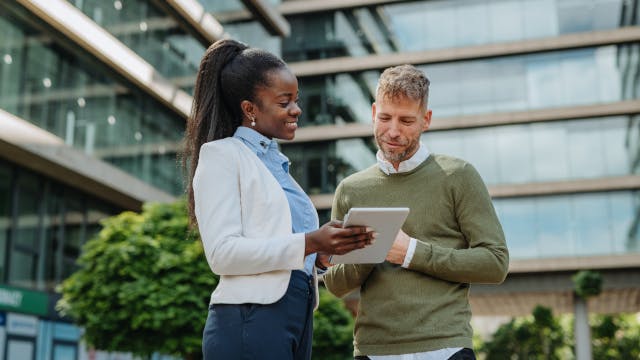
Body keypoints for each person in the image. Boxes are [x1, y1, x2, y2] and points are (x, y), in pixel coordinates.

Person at [182, 39, 376, 360]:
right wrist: (310, 242)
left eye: (296, 100)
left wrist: (322, 255)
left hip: (295, 317)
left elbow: (284, 247)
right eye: (284, 102)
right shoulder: (222, 156)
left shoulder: (279, 168)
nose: (296, 109)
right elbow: (222, 254)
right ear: (250, 109)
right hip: (251, 319)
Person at [322, 64, 509, 360]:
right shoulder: (350, 189)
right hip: (373, 351)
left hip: (446, 348)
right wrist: (373, 247)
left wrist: (411, 252)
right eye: (385, 118)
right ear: (373, 113)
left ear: (426, 119)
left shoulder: (458, 175)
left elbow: (496, 262)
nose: (393, 131)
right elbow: (336, 284)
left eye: (407, 120)